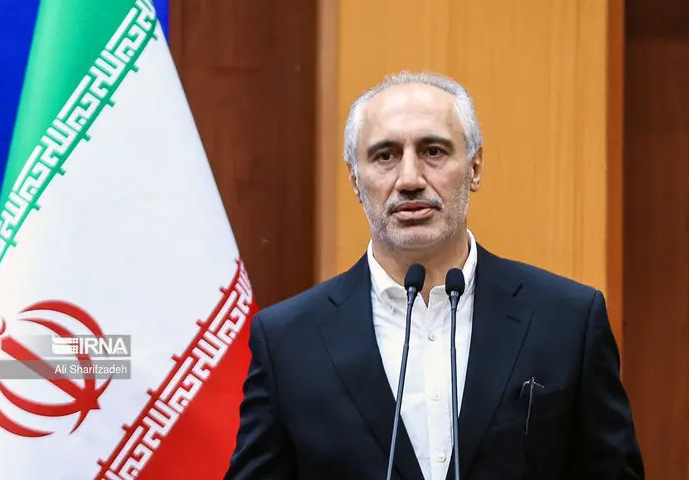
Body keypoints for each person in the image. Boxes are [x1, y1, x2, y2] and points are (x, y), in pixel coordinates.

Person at [224, 71, 644, 479]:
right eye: (385, 156)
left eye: (433, 151)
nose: (409, 179)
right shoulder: (288, 341)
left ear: (475, 167)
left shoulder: (567, 321)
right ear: (354, 179)